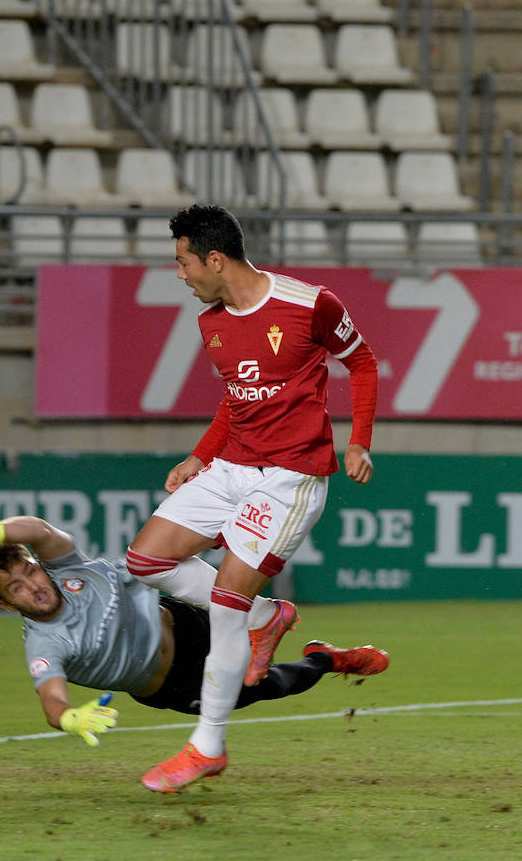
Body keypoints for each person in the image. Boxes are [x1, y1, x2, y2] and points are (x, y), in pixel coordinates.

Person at [121, 205, 379, 792]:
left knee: (226, 599)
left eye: (184, 262)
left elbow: (361, 362)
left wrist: (360, 441)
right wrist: (200, 456)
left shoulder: (309, 303)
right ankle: (271, 617)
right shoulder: (212, 324)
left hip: (291, 476)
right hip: (233, 464)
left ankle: (206, 746)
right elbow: (236, 399)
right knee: (146, 560)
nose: (180, 274)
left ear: (215, 259)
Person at [0, 515, 388, 749]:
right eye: (17, 589)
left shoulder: (71, 567)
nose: (33, 587)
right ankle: (328, 659)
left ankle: (265, 606)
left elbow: (40, 530)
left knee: (174, 559)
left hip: (186, 621)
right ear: (8, 605)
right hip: (174, 683)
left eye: (29, 572)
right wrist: (68, 718)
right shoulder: (46, 642)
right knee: (274, 686)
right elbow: (50, 697)